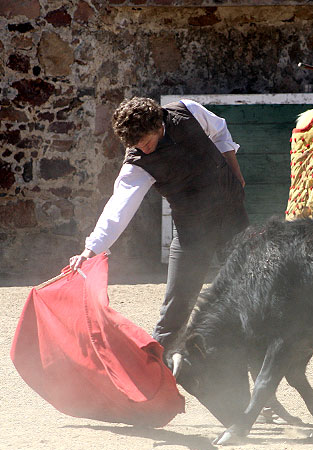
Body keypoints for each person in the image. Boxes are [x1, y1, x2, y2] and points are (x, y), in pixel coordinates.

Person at [69, 97, 249, 351]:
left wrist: (235, 173)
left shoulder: (188, 111)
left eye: (147, 142)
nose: (144, 150)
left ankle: (248, 357)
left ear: (158, 124)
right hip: (192, 233)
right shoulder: (137, 164)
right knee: (175, 309)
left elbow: (219, 130)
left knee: (247, 293)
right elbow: (119, 207)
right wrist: (91, 249)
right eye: (137, 146)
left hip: (233, 219)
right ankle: (155, 373)